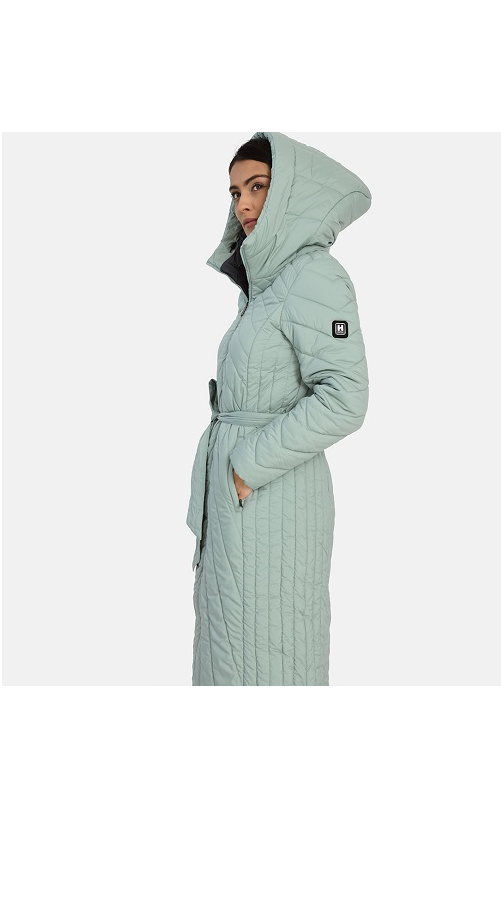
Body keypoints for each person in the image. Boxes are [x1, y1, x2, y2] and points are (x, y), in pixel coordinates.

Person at [186, 131, 371, 686]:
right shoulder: (263, 287)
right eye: (235, 191)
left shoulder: (314, 275)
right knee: (233, 650)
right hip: (245, 503)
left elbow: (346, 397)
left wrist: (244, 467)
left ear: (290, 191)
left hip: (272, 499)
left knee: (270, 652)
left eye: (258, 186)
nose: (243, 204)